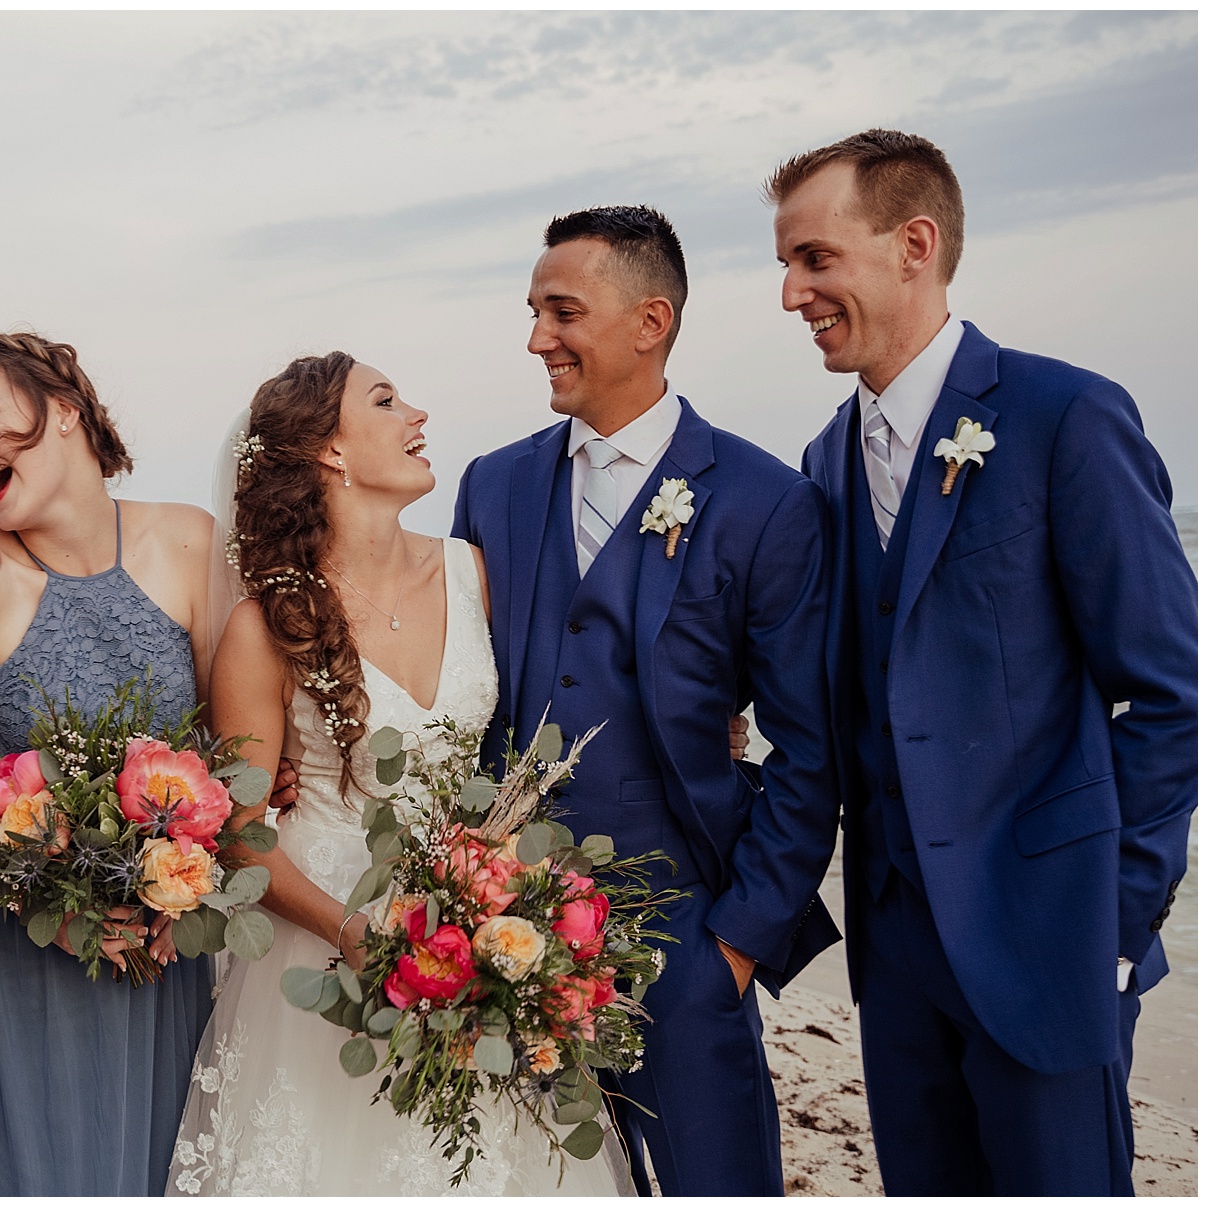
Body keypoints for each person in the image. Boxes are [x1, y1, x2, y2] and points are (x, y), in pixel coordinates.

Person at [771, 129, 1198, 1196]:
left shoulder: (1066, 417)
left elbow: (1165, 692)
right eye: (786, 263)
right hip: (896, 954)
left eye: (815, 258)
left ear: (914, 243)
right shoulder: (824, 460)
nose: (790, 294)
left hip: (1050, 943)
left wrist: (1111, 926)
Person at [168, 352, 630, 1196]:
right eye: (385, 399)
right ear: (329, 451)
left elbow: (527, 746)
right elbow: (238, 833)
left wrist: (502, 899)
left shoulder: (472, 572)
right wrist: (357, 934)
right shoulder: (261, 625)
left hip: (471, 929)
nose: (417, 412)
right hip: (320, 948)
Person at [452, 207, 843, 1196]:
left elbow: (811, 744)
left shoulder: (766, 501)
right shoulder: (491, 488)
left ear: (649, 320)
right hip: (515, 936)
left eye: (562, 311)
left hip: (693, 935)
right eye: (535, 312)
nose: (539, 337)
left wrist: (739, 941)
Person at [0, 332, 218, 1195]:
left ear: (67, 411)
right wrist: (48, 903)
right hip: (27, 948)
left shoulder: (189, 541)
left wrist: (189, 880)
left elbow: (233, 749)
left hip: (168, 938)